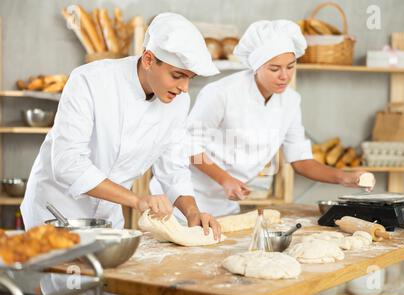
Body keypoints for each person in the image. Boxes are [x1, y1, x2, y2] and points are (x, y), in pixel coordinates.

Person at [21, 13, 221, 239]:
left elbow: (173, 165)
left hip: (108, 214)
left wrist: (192, 212)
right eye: (177, 76)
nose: (184, 87)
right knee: (60, 274)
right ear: (148, 59)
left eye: (190, 78)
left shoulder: (179, 101)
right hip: (57, 210)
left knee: (106, 273)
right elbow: (67, 163)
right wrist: (136, 199)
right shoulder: (90, 81)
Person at [152, 19, 375, 217]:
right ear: (256, 67)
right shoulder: (221, 93)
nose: (284, 76)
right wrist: (225, 179)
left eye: (290, 66)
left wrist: (344, 177)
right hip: (180, 200)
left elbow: (300, 160)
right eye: (274, 68)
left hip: (225, 206)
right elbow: (189, 145)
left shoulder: (290, 101)